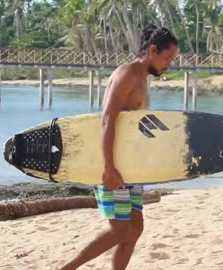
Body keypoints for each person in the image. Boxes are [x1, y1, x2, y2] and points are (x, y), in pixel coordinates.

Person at [61, 25, 178, 270]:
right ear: (153, 50)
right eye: (167, 58)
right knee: (119, 230)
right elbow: (107, 119)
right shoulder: (127, 74)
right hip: (113, 165)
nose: (169, 65)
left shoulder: (142, 80)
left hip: (130, 168)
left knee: (134, 229)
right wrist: (108, 168)